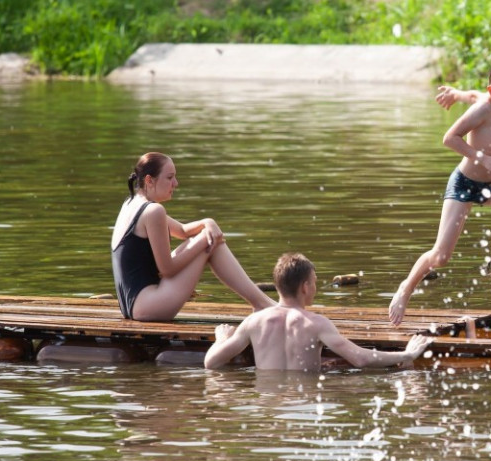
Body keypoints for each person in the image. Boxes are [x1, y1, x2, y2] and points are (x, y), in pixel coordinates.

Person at [388, 62, 491, 326]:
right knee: (440, 257)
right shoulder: (483, 109)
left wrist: (456, 93)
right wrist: (482, 158)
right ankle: (404, 290)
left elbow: (472, 94)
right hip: (464, 185)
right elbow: (450, 137)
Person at [111, 152, 276, 321]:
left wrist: (208, 222)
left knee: (207, 239)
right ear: (149, 180)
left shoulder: (131, 203)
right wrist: (206, 239)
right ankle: (263, 304)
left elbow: (182, 231)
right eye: (170, 178)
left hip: (135, 306)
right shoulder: (153, 211)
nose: (176, 183)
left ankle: (263, 304)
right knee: (210, 243)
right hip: (150, 307)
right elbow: (167, 270)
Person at [206, 252, 433, 372]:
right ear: (305, 287)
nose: (315, 287)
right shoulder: (316, 324)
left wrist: (220, 339)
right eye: (314, 282)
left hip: (268, 405)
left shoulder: (253, 323)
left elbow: (211, 363)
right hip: (306, 400)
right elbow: (360, 359)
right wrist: (407, 355)